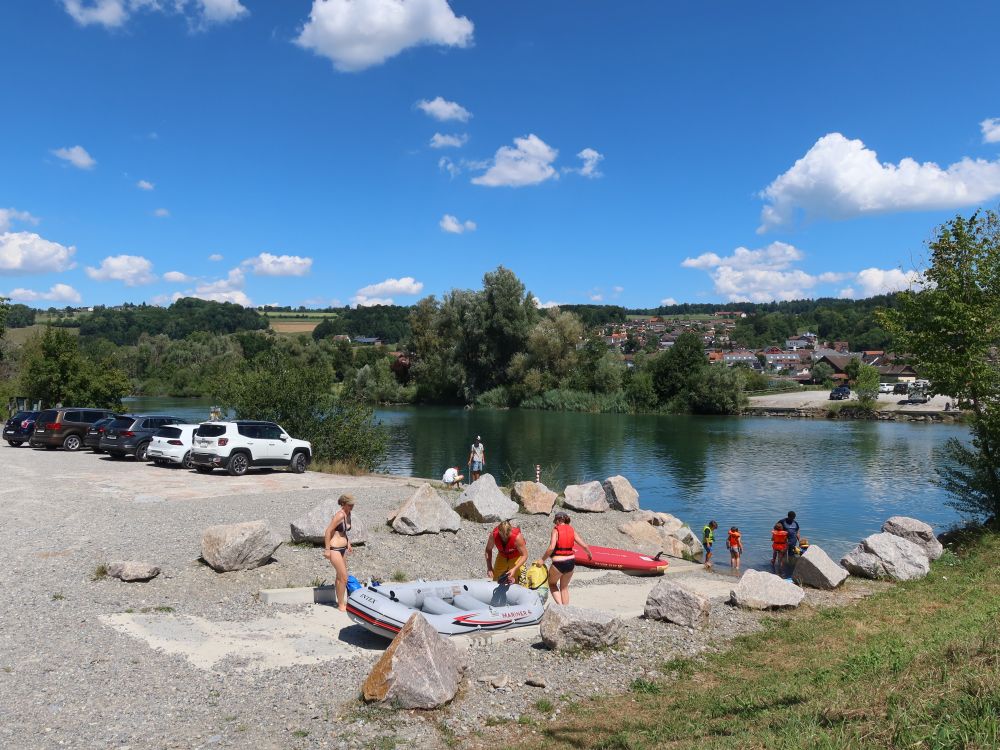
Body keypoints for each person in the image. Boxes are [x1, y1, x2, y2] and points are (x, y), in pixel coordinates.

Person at [536, 512, 592, 605]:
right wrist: (589, 554)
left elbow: (551, 548)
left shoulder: (555, 530)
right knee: (564, 587)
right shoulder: (571, 529)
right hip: (571, 562)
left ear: (557, 520)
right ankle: (566, 610)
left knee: (552, 584)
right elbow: (584, 545)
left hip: (558, 563)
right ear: (566, 520)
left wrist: (542, 560)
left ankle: (560, 607)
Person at [323, 494, 355, 612]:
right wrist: (327, 550)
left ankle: (340, 601)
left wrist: (348, 543)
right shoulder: (340, 515)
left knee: (339, 576)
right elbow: (328, 531)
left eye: (353, 504)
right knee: (344, 578)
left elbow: (344, 531)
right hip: (334, 549)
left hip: (343, 549)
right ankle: (341, 604)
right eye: (350, 504)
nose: (352, 506)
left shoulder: (349, 514)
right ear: (344, 504)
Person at [485, 520, 528, 585]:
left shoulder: (517, 537)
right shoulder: (494, 535)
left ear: (511, 530)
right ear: (499, 532)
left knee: (521, 582)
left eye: (507, 535)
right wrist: (489, 567)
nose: (504, 538)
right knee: (496, 580)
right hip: (502, 556)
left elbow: (525, 555)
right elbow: (488, 550)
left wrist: (514, 569)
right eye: (502, 536)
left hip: (516, 556)